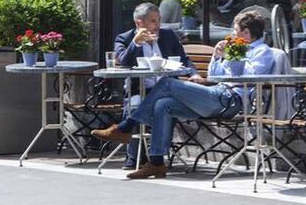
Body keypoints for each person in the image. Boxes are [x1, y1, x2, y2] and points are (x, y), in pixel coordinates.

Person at [92, 11, 274, 179]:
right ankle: (156, 163)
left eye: (235, 31)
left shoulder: (263, 52)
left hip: (230, 100)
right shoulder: (235, 48)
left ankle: (126, 127)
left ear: (246, 33)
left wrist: (231, 57)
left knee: (167, 83)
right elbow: (214, 76)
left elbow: (247, 77)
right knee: (163, 104)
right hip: (215, 94)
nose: (232, 35)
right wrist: (218, 57)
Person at [114, 2, 202, 169]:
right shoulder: (124, 39)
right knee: (135, 105)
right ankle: (134, 157)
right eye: (153, 21)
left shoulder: (168, 35)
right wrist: (136, 43)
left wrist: (194, 73)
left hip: (168, 89)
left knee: (164, 105)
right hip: (139, 89)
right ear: (139, 23)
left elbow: (184, 59)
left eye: (159, 20)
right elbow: (124, 63)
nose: (158, 25)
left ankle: (155, 156)